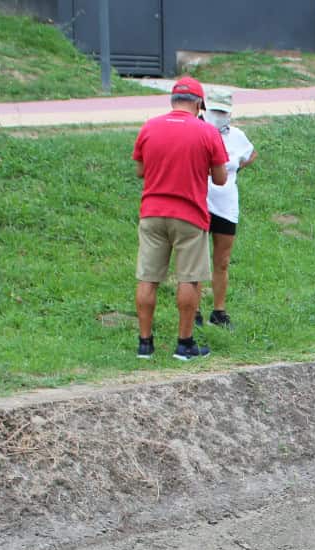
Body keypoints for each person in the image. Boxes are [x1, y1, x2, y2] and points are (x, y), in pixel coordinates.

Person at [132, 76, 228, 361]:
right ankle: (184, 344)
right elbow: (221, 179)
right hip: (189, 215)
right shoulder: (206, 131)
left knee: (148, 278)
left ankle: (145, 345)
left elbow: (140, 170)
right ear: (199, 104)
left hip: (152, 213)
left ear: (172, 101)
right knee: (190, 279)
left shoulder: (149, 127)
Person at [200, 87, 256, 330]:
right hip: (200, 203)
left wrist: (235, 170)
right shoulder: (196, 132)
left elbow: (251, 154)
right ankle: (193, 312)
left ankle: (219, 311)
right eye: (215, 110)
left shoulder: (236, 136)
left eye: (224, 111)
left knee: (222, 260)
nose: (219, 115)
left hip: (226, 206)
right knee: (197, 261)